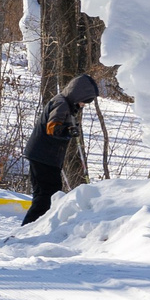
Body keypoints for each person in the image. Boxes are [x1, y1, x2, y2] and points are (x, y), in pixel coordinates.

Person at [23, 74, 102, 224]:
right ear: (80, 94)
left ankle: (35, 227)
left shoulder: (66, 104)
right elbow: (52, 128)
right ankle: (27, 229)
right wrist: (67, 131)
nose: (84, 105)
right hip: (43, 156)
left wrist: (70, 128)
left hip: (46, 156)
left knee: (50, 193)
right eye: (85, 101)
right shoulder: (61, 103)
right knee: (47, 195)